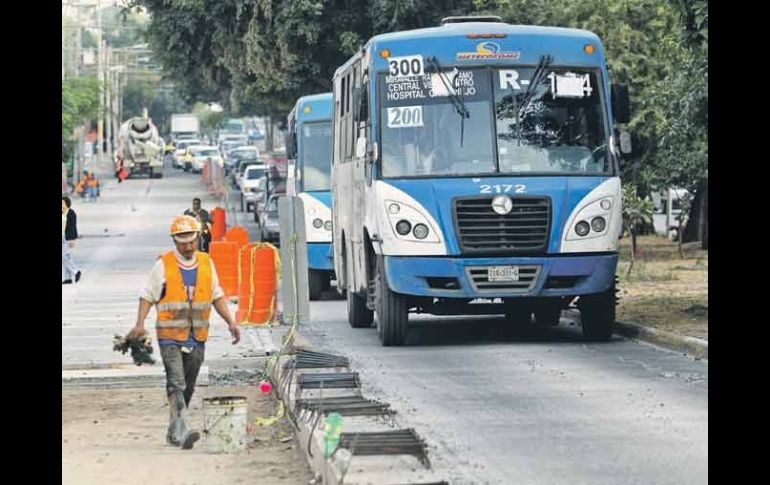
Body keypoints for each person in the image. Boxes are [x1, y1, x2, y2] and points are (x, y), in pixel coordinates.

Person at [126, 215, 241, 449]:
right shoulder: (164, 265)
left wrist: (231, 321)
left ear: (198, 238)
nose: (188, 247)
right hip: (169, 336)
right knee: (176, 382)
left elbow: (216, 295)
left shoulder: (207, 263)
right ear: (174, 241)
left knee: (188, 384)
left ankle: (173, 429)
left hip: (198, 335)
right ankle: (184, 430)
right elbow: (148, 295)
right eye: (183, 242)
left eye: (192, 241)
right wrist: (140, 324)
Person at [62, 196, 82, 284]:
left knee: (64, 256)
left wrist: (73, 239)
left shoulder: (71, 213)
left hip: (68, 237)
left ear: (67, 203)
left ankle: (76, 271)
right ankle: (68, 278)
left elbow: (73, 227)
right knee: (65, 257)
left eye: (62, 203)